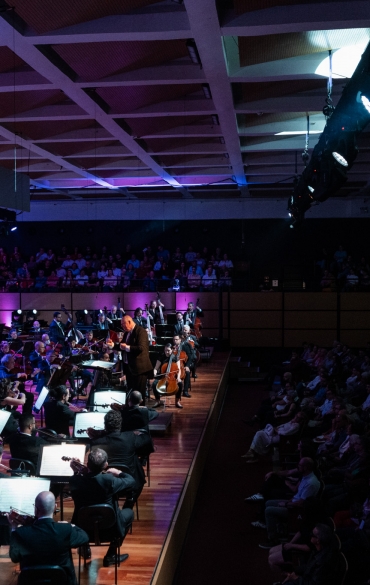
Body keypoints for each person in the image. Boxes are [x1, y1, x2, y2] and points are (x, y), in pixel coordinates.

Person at [69, 447, 135, 567]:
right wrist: (119, 472)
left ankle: (85, 547)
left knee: (85, 512)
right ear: (106, 465)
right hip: (110, 528)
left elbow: (80, 482)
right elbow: (131, 481)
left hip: (84, 529)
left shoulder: (75, 481)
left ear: (87, 464)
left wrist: (77, 472)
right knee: (129, 513)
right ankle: (111, 555)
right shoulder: (109, 480)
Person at [9, 490, 88, 585]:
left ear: (35, 509)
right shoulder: (65, 530)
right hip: (61, 581)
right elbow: (84, 537)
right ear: (55, 507)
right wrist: (71, 525)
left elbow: (14, 557)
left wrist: (13, 528)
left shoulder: (21, 533)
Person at [259, 458, 321, 549]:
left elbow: (301, 503)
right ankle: (277, 528)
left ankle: (273, 540)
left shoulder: (311, 483)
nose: (298, 467)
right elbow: (297, 494)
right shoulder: (305, 476)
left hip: (296, 511)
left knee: (269, 510)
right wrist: (288, 501)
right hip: (292, 503)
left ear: (306, 467)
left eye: (300, 466)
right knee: (269, 503)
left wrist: (286, 504)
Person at [89, 410, 146, 501]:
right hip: (129, 483)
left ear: (105, 425)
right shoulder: (130, 437)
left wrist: (101, 433)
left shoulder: (95, 442)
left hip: (106, 484)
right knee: (137, 465)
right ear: (120, 424)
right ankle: (129, 504)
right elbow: (145, 439)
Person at [106, 315, 153, 402]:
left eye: (123, 324)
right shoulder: (127, 333)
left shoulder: (141, 331)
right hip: (130, 369)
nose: (122, 326)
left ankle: (140, 413)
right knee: (131, 392)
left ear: (130, 322)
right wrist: (113, 345)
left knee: (139, 394)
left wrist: (127, 347)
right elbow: (122, 346)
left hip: (140, 369)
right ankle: (132, 411)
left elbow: (141, 348)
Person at [152, 344, 183, 409]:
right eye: (165, 350)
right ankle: (157, 401)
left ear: (172, 350)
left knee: (180, 384)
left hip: (172, 376)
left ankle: (177, 401)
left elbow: (179, 370)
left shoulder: (175, 357)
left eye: (168, 350)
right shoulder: (161, 357)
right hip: (162, 376)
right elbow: (155, 368)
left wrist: (178, 377)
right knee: (154, 384)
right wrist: (155, 373)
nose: (167, 352)